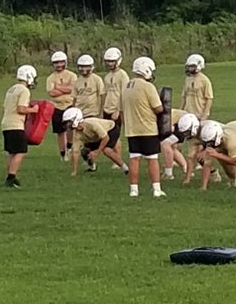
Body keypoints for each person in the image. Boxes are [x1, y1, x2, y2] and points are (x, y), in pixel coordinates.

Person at [121, 56, 166, 198]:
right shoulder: (148, 86)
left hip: (131, 129)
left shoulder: (127, 86)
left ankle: (133, 190)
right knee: (152, 159)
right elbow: (158, 108)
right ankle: (156, 189)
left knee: (134, 158)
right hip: (147, 128)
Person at [2, 65, 39, 188]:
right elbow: (21, 109)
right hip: (15, 124)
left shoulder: (11, 89)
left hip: (6, 123)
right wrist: (33, 110)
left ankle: (11, 176)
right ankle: (11, 177)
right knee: (21, 151)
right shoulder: (24, 90)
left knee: (12, 152)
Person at [63, 107, 126, 175]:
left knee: (106, 150)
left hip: (111, 129)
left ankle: (125, 168)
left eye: (69, 122)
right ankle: (92, 166)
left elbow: (105, 138)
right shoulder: (76, 133)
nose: (68, 125)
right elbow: (75, 152)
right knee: (85, 151)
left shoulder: (91, 124)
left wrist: (97, 152)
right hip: (97, 137)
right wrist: (74, 171)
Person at [46, 51, 76, 161]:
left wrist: (58, 87)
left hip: (69, 105)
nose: (59, 65)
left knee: (71, 128)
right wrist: (65, 89)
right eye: (56, 63)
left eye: (61, 62)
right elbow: (51, 93)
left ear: (65, 62)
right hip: (56, 106)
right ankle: (63, 153)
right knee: (59, 131)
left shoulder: (72, 75)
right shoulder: (50, 78)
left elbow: (72, 89)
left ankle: (70, 147)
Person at [102, 47, 128, 157]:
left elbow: (124, 94)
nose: (110, 63)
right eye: (108, 61)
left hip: (116, 110)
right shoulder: (107, 76)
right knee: (109, 134)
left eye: (112, 61)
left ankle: (118, 158)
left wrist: (118, 110)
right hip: (107, 109)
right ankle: (115, 158)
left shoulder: (122, 75)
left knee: (115, 135)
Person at [182, 54, 214, 120]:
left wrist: (204, 115)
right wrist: (181, 111)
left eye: (192, 66)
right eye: (189, 66)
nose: (190, 69)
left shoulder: (205, 80)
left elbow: (209, 99)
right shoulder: (188, 79)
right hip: (187, 113)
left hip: (199, 114)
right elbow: (184, 96)